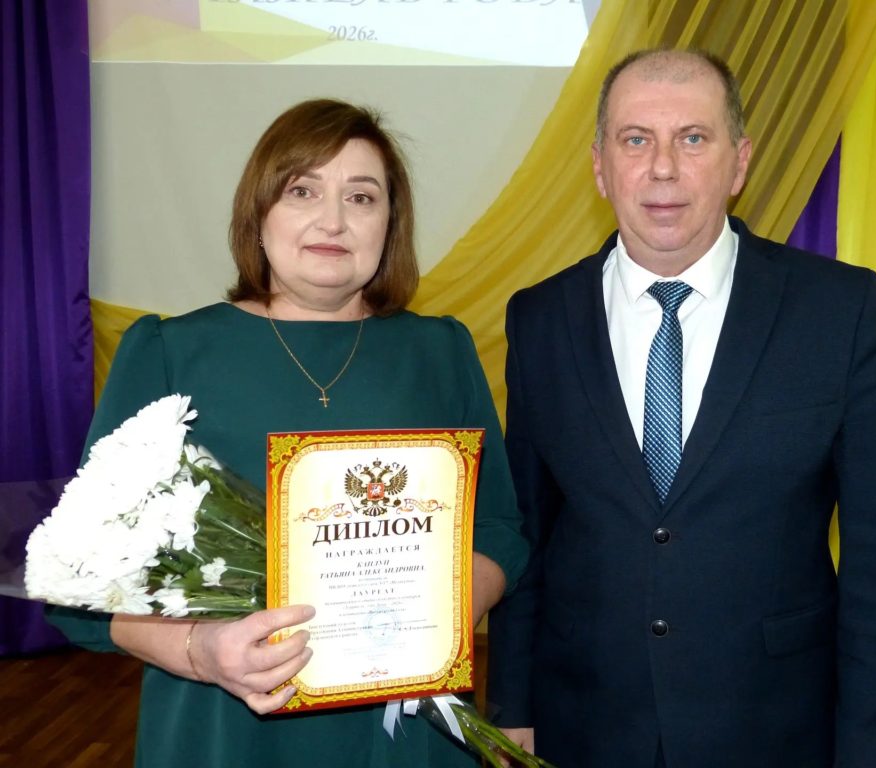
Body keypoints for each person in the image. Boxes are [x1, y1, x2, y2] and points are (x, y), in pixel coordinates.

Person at [46, 98, 528, 767]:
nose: (333, 220)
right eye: (303, 190)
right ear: (259, 214)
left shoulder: (440, 351)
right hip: (229, 728)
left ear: (389, 225)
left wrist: (437, 617)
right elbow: (84, 580)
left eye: (362, 197)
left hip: (404, 731)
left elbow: (497, 527)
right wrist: (202, 651)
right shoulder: (169, 353)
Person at [487, 49, 876, 768]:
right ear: (600, 166)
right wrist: (513, 707)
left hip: (775, 729)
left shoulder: (838, 310)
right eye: (636, 139)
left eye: (692, 138)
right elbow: (528, 535)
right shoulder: (540, 318)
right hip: (585, 726)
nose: (663, 167)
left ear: (739, 162)